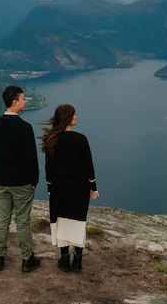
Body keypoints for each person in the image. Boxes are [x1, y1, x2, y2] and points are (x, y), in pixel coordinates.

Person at [0, 85, 41, 273]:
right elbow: (31, 158)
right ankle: (27, 260)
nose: (25, 102)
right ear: (15, 102)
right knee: (23, 221)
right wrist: (34, 180)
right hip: (22, 182)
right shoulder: (25, 128)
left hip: (1, 181)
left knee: (2, 220)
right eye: (23, 99)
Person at [40, 103, 98, 272]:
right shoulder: (81, 139)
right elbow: (89, 166)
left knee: (61, 222)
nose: (76, 117)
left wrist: (50, 187)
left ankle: (65, 260)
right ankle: (78, 262)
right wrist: (93, 187)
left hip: (59, 189)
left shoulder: (52, 139)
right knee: (78, 223)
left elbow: (48, 168)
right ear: (68, 118)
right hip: (79, 190)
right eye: (74, 114)